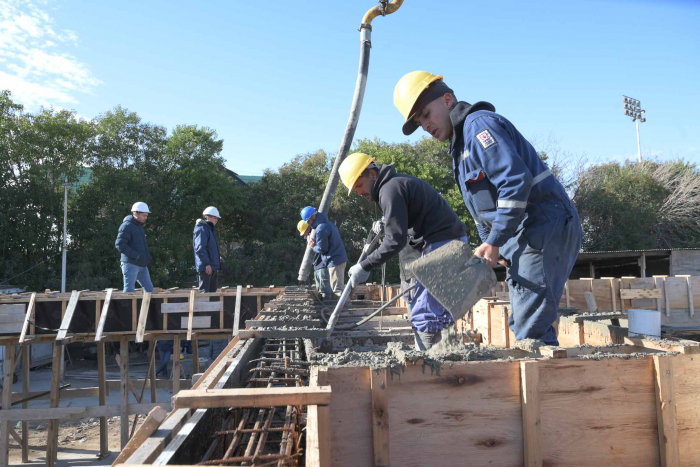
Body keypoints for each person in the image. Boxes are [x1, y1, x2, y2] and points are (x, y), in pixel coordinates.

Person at [393, 71, 583, 345]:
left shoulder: (479, 127)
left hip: (542, 224)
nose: (425, 125)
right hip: (524, 233)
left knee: (532, 330)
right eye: (418, 121)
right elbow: (482, 210)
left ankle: (548, 384)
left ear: (447, 100)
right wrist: (495, 247)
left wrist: (495, 241)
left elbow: (515, 182)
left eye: (425, 114)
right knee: (524, 321)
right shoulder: (460, 149)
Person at [338, 152, 468, 350]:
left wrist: (364, 265)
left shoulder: (389, 190)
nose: (359, 193)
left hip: (443, 243)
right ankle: (444, 358)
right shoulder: (394, 185)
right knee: (437, 310)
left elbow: (395, 241)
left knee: (426, 312)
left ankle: (428, 363)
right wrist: (386, 221)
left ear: (372, 174)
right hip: (448, 241)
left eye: (358, 185)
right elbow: (405, 221)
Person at [300, 206, 348, 296]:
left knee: (338, 290)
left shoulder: (320, 228)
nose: (309, 224)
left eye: (309, 221)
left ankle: (344, 309)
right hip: (338, 258)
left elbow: (323, 249)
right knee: (338, 288)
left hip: (335, 260)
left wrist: (313, 246)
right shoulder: (328, 224)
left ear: (313, 217)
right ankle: (343, 307)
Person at [115, 202, 154, 293]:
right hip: (130, 263)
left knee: (149, 290)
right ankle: (127, 307)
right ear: (136, 214)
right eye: (144, 215)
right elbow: (120, 244)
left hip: (141, 264)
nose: (146, 217)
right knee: (129, 291)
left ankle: (148, 308)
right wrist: (136, 256)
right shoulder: (127, 226)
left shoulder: (139, 226)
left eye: (146, 215)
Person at [298, 220, 333, 301]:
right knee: (319, 289)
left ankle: (328, 307)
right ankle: (322, 305)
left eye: (305, 232)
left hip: (323, 264)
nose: (305, 234)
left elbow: (322, 248)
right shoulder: (309, 236)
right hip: (316, 265)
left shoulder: (317, 233)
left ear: (308, 228)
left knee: (325, 290)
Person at [194, 206, 221, 293]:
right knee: (204, 294)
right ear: (207, 217)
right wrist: (206, 264)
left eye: (217, 218)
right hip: (206, 268)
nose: (216, 220)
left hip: (211, 267)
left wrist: (215, 266)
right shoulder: (202, 229)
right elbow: (200, 248)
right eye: (214, 218)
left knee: (212, 294)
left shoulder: (209, 230)